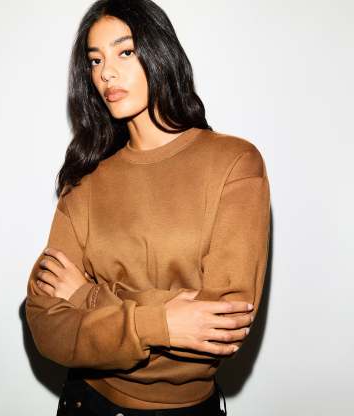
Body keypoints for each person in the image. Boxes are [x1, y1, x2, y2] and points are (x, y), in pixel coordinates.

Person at [25, 0, 271, 415]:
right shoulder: (85, 179)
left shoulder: (234, 164)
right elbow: (47, 324)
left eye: (125, 51)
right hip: (88, 403)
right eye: (95, 60)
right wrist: (164, 323)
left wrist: (87, 296)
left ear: (160, 53)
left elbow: (221, 329)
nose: (106, 72)